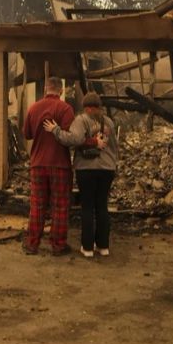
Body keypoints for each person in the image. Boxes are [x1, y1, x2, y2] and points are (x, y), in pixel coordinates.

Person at [43, 91, 118, 258]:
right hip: (107, 169)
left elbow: (74, 140)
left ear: (86, 107)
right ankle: (103, 247)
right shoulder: (109, 123)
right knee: (102, 207)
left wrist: (55, 130)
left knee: (87, 207)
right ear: (99, 106)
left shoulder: (82, 120)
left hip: (87, 169)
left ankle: (87, 248)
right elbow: (114, 147)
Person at [21, 76, 76, 256]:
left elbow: (27, 134)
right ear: (61, 90)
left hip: (38, 164)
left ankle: (32, 244)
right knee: (60, 205)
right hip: (59, 164)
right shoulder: (66, 109)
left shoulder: (34, 108)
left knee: (37, 204)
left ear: (46, 89)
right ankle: (58, 245)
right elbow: (70, 137)